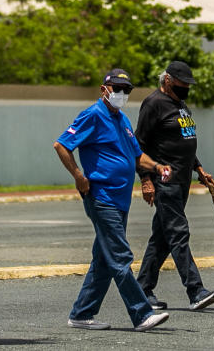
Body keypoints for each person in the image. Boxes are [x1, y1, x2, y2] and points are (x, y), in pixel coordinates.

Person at [54, 68, 173, 332]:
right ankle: (141, 314)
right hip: (101, 198)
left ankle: (82, 313)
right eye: (116, 89)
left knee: (104, 260)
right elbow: (61, 145)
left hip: (120, 201)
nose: (121, 94)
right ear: (103, 90)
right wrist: (78, 176)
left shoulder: (122, 120)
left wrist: (157, 167)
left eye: (126, 90)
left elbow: (137, 156)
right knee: (120, 256)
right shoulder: (93, 115)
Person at [135, 60, 214, 312]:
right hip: (165, 181)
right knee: (179, 233)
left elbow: (185, 142)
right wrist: (145, 179)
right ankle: (195, 290)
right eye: (182, 84)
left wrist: (199, 169)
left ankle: (142, 290)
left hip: (183, 182)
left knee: (162, 239)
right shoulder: (153, 104)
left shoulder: (180, 105)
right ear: (168, 80)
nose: (186, 89)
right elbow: (139, 146)